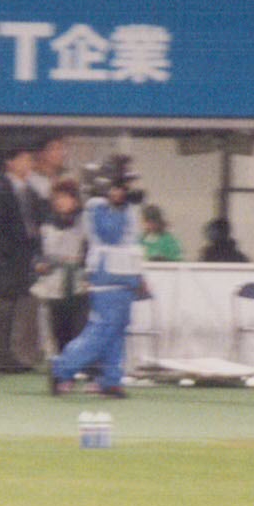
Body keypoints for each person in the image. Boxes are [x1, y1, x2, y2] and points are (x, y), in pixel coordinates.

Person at [48, 158, 145, 398]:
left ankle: (110, 380)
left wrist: (139, 277)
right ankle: (62, 368)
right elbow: (111, 234)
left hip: (127, 275)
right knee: (101, 331)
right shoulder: (96, 206)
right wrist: (119, 204)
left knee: (118, 332)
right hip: (107, 276)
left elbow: (131, 241)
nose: (124, 190)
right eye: (120, 185)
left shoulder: (127, 206)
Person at [0, 134, 42, 373]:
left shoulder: (30, 191)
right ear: (11, 162)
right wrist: (5, 254)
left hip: (23, 260)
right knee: (1, 309)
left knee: (16, 310)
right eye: (25, 159)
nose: (29, 164)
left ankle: (12, 356)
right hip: (4, 260)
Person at [32, 178, 88, 358]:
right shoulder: (46, 225)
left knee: (79, 329)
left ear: (75, 200)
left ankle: (79, 365)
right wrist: (39, 264)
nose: (60, 202)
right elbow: (38, 252)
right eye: (57, 198)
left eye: (65, 197)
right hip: (54, 286)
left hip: (79, 286)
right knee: (58, 330)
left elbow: (91, 253)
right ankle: (62, 365)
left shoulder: (85, 224)